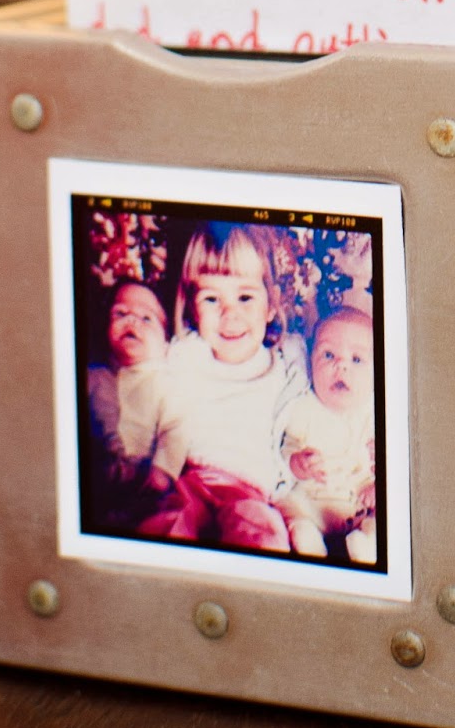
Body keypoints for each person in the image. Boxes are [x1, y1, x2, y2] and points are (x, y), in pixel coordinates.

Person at [140, 222, 306, 552]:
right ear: (192, 306)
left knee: (264, 534)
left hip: (251, 493)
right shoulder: (186, 355)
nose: (230, 314)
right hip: (192, 480)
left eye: (245, 297)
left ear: (271, 305)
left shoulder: (287, 364)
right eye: (212, 299)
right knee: (166, 524)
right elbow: (146, 377)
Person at [273, 308, 378, 565]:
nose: (341, 366)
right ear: (311, 362)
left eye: (357, 359)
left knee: (386, 516)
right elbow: (286, 448)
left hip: (358, 505)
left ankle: (366, 546)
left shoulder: (374, 412)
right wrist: (299, 463)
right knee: (287, 505)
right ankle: (307, 540)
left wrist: (378, 484)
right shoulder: (304, 407)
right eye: (328, 355)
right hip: (312, 502)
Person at [84, 280, 171, 527]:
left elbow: (176, 427)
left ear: (165, 342)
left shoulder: (166, 380)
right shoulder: (96, 376)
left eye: (146, 318)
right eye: (120, 313)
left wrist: (164, 470)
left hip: (147, 479)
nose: (132, 321)